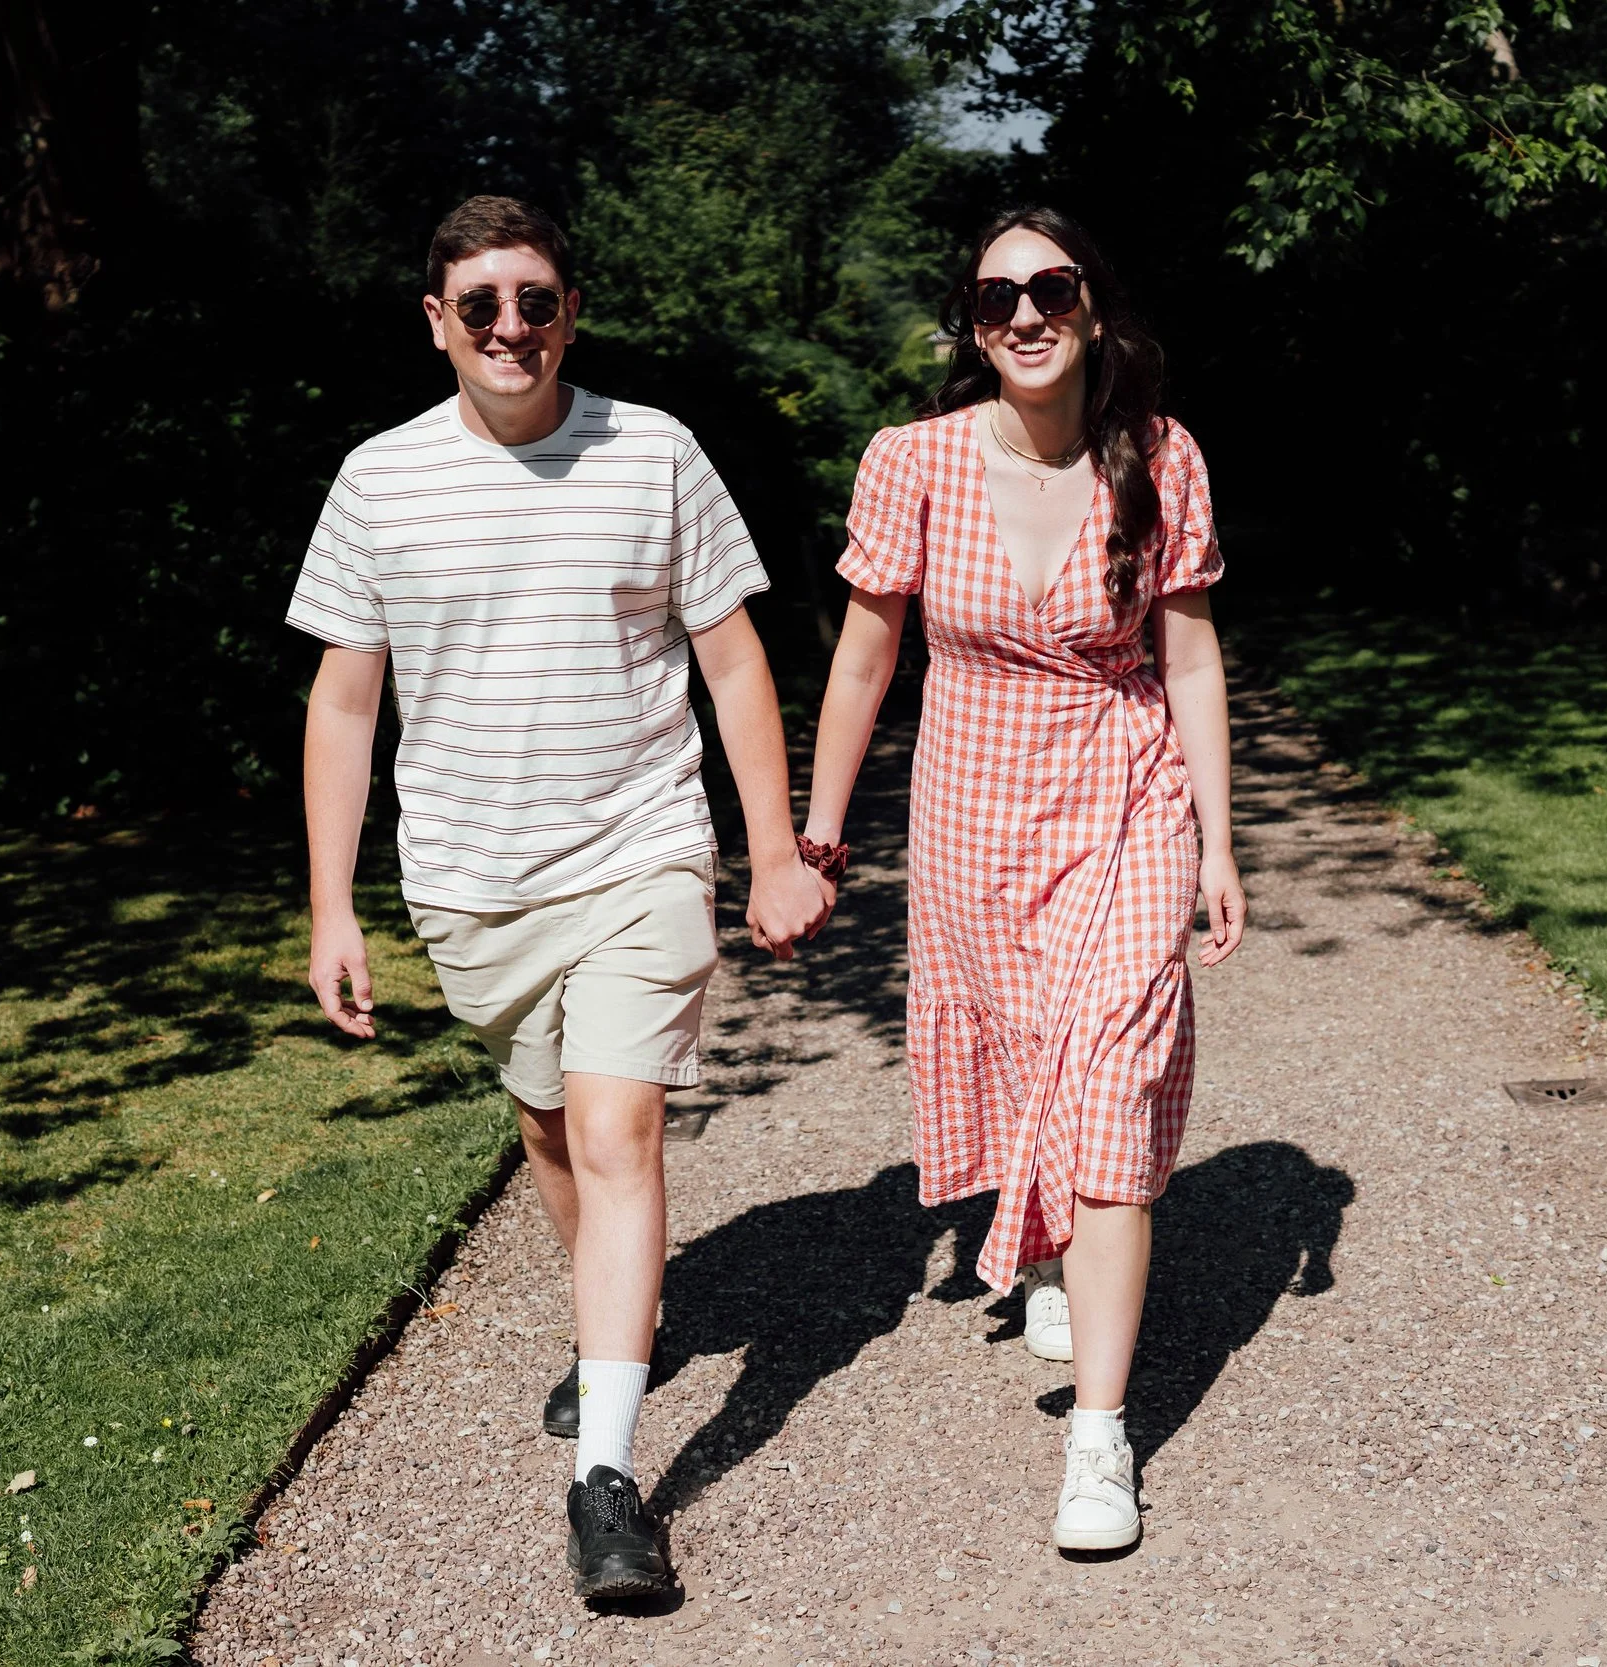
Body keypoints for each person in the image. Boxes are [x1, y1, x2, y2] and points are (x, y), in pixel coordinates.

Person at [291, 195, 831, 1599]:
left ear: (571, 312)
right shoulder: (377, 481)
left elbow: (731, 661)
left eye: (536, 300)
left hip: (638, 846)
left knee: (614, 1120)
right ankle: (617, 1335)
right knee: (548, 1123)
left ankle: (607, 1472)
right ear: (437, 323)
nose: (511, 327)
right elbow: (346, 705)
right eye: (481, 305)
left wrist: (771, 848)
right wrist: (332, 909)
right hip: (472, 881)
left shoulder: (654, 452)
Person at [801, 206, 1244, 1551]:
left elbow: (1192, 657)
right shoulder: (913, 462)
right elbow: (866, 658)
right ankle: (1041, 1240)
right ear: (972, 325)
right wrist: (817, 835)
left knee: (1109, 1068)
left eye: (1051, 288)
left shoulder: (1161, 457)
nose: (1026, 315)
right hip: (973, 809)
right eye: (998, 298)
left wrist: (1219, 842)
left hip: (1122, 799)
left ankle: (1100, 1437)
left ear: (1094, 306)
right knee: (1018, 1051)